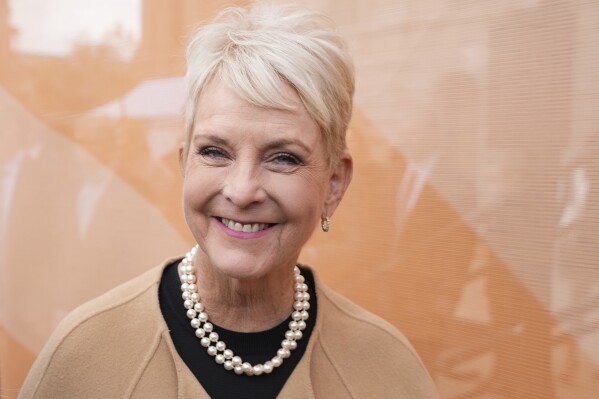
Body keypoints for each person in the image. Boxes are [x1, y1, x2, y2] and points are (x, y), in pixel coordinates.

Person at [19, 3, 438, 398]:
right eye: (215, 152)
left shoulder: (388, 369)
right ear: (185, 164)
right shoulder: (84, 358)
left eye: (283, 158)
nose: (241, 190)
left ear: (333, 183)